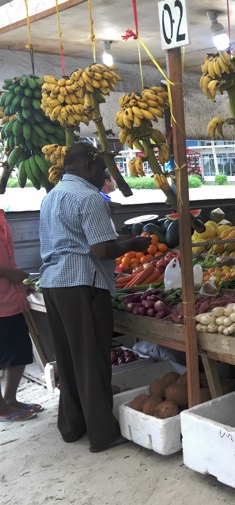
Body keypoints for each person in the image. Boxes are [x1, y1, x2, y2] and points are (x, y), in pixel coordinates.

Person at [39, 143, 151, 453]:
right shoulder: (88, 197)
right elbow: (102, 250)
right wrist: (135, 244)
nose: (104, 175)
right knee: (92, 360)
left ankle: (72, 427)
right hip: (81, 285)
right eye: (101, 169)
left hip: (54, 283)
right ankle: (103, 434)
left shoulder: (53, 195)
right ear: (86, 166)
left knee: (69, 359)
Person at [0, 208, 41, 422]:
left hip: (10, 298)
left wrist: (18, 286)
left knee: (19, 352)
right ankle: (1, 409)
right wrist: (10, 274)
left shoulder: (1, 215)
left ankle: (10, 399)